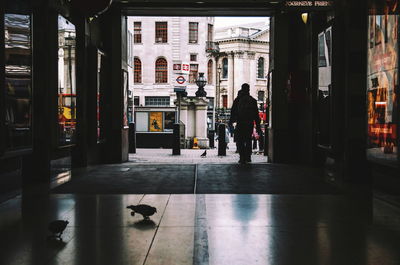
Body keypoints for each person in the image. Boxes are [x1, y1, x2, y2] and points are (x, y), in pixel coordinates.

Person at [229, 83, 261, 164]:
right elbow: (256, 115)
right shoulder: (253, 100)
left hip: (240, 123)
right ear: (249, 90)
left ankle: (242, 157)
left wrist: (231, 122)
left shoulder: (238, 100)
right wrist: (258, 126)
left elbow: (233, 112)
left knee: (240, 140)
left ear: (242, 89)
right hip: (249, 123)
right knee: (248, 140)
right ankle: (248, 156)